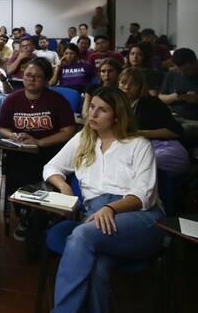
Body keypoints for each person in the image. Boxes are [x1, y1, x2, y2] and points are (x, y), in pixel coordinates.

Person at [43, 87, 164, 313]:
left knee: (80, 234)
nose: (92, 114)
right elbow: (51, 166)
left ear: (117, 116)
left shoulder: (139, 144)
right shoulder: (83, 139)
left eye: (102, 110)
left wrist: (111, 208)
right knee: (97, 268)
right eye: (92, 107)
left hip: (140, 218)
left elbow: (143, 194)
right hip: (97, 216)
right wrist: (64, 185)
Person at [0, 59, 76, 240]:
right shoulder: (12, 100)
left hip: (49, 152)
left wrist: (39, 142)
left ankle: (43, 214)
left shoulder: (57, 100)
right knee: (15, 166)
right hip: (21, 151)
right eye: (28, 75)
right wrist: (14, 136)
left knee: (42, 169)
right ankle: (24, 212)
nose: (31, 79)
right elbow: (3, 128)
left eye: (37, 76)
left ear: (47, 79)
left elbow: (69, 131)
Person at [118, 68, 189, 176]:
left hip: (165, 148)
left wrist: (140, 133)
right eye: (123, 82)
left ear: (140, 87)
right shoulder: (115, 103)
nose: (127, 87)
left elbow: (175, 131)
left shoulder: (151, 103)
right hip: (136, 148)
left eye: (133, 84)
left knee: (136, 163)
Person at [159, 47, 198, 121]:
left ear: (195, 63)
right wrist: (175, 97)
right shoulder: (172, 73)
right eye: (179, 71)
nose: (183, 74)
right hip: (173, 117)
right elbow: (161, 98)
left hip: (194, 119)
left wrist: (196, 99)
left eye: (186, 70)